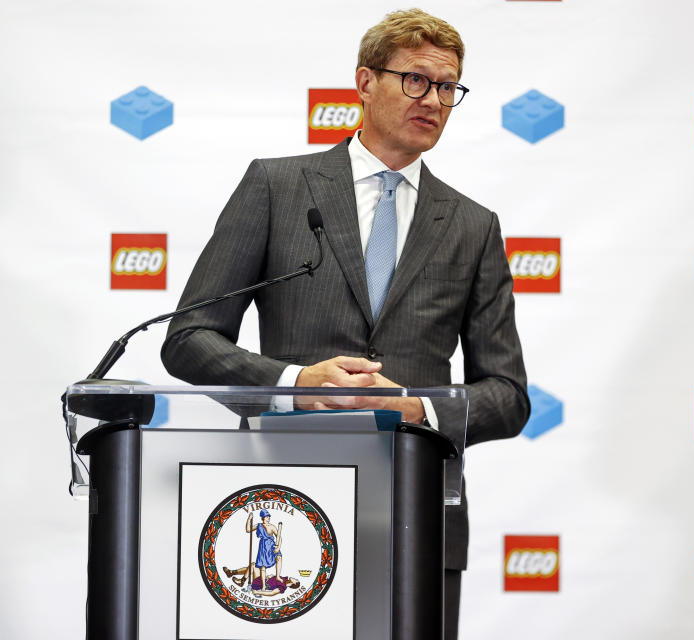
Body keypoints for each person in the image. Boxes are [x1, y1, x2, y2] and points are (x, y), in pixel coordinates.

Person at [162, 8, 529, 638]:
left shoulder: (473, 225)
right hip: (284, 507)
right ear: (364, 83)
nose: (434, 100)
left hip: (419, 511)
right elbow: (190, 339)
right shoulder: (277, 186)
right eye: (416, 80)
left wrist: (419, 409)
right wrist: (295, 382)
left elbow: (508, 396)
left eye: (448, 88)